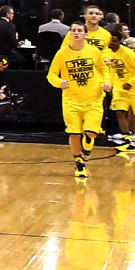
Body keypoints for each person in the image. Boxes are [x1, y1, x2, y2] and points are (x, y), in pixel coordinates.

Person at [47, 25, 109, 179]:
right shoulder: (62, 54)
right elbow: (51, 75)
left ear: (85, 35)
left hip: (93, 99)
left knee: (91, 132)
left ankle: (88, 137)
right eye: (73, 30)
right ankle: (79, 162)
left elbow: (104, 69)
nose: (76, 33)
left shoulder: (94, 51)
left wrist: (107, 82)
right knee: (74, 133)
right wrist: (59, 82)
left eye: (79, 30)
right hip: (71, 99)